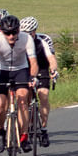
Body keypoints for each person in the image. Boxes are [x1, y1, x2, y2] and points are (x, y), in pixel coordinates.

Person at [0, 14, 36, 153]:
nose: (11, 36)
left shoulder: (26, 38)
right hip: (1, 70)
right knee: (0, 105)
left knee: (23, 100)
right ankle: (1, 131)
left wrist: (33, 77)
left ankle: (24, 136)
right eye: (7, 33)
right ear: (2, 31)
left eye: (14, 32)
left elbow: (33, 62)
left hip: (20, 70)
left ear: (19, 30)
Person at [22, 16, 58, 148]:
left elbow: (51, 58)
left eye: (29, 33)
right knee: (25, 98)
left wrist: (53, 70)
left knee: (43, 95)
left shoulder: (44, 39)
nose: (27, 35)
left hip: (42, 68)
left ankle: (43, 130)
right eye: (24, 33)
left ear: (34, 31)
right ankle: (28, 125)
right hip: (26, 70)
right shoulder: (19, 40)